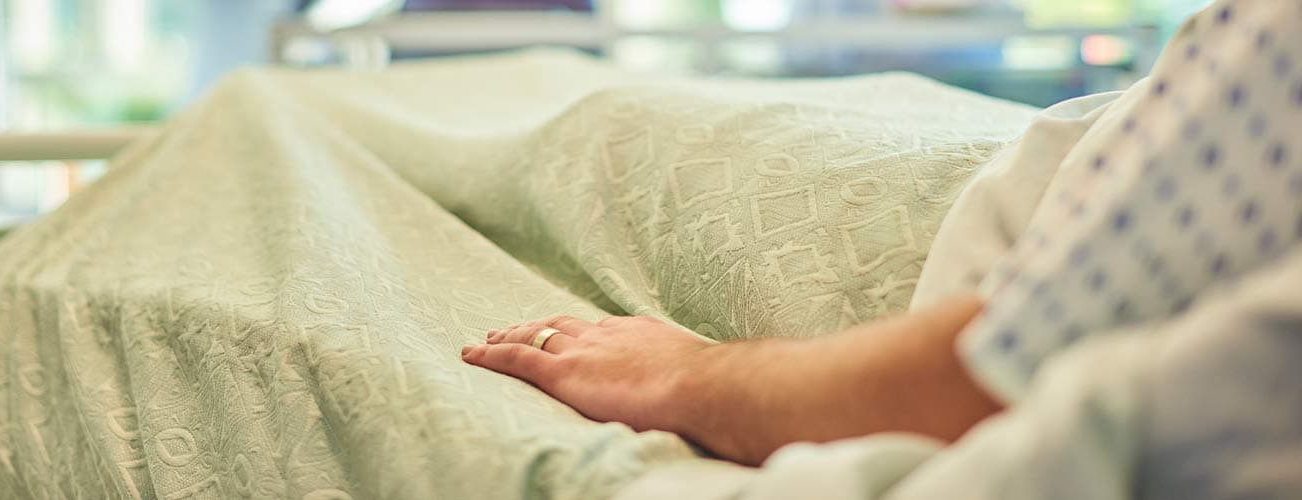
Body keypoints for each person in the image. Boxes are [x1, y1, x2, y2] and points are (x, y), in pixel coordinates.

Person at [463, 0, 1302, 497]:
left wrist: (683, 374)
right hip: (972, 156)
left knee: (607, 127)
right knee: (608, 117)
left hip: (910, 226)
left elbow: (971, 380)